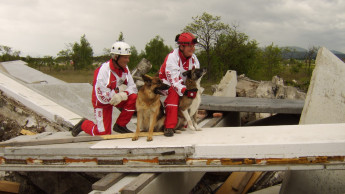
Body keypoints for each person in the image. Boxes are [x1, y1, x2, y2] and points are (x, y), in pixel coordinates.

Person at [72, 41, 137, 136]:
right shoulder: (103, 71)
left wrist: (124, 94)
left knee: (133, 97)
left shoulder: (125, 68)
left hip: (115, 97)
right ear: (116, 57)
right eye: (125, 57)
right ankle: (84, 124)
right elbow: (102, 96)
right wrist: (118, 91)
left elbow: (133, 87)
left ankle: (120, 125)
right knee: (103, 133)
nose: (128, 60)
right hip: (101, 101)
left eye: (128, 57)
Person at [159, 32, 200, 137]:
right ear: (181, 46)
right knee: (174, 92)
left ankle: (185, 122)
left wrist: (192, 90)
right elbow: (173, 80)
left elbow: (195, 77)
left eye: (193, 46)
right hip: (165, 83)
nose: (192, 48)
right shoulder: (172, 57)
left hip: (182, 83)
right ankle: (169, 126)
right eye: (189, 46)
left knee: (194, 95)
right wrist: (184, 90)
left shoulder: (194, 58)